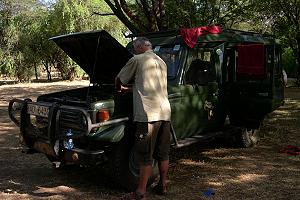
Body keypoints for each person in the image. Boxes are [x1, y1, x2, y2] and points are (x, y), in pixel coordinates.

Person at [115, 37, 171, 200]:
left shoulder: (137, 59)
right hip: (165, 112)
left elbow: (119, 79)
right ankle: (163, 185)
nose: (133, 51)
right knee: (163, 153)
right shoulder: (161, 61)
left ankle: (140, 192)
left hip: (148, 114)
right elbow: (150, 85)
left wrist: (120, 88)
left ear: (139, 47)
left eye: (134, 48)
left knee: (145, 155)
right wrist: (132, 89)